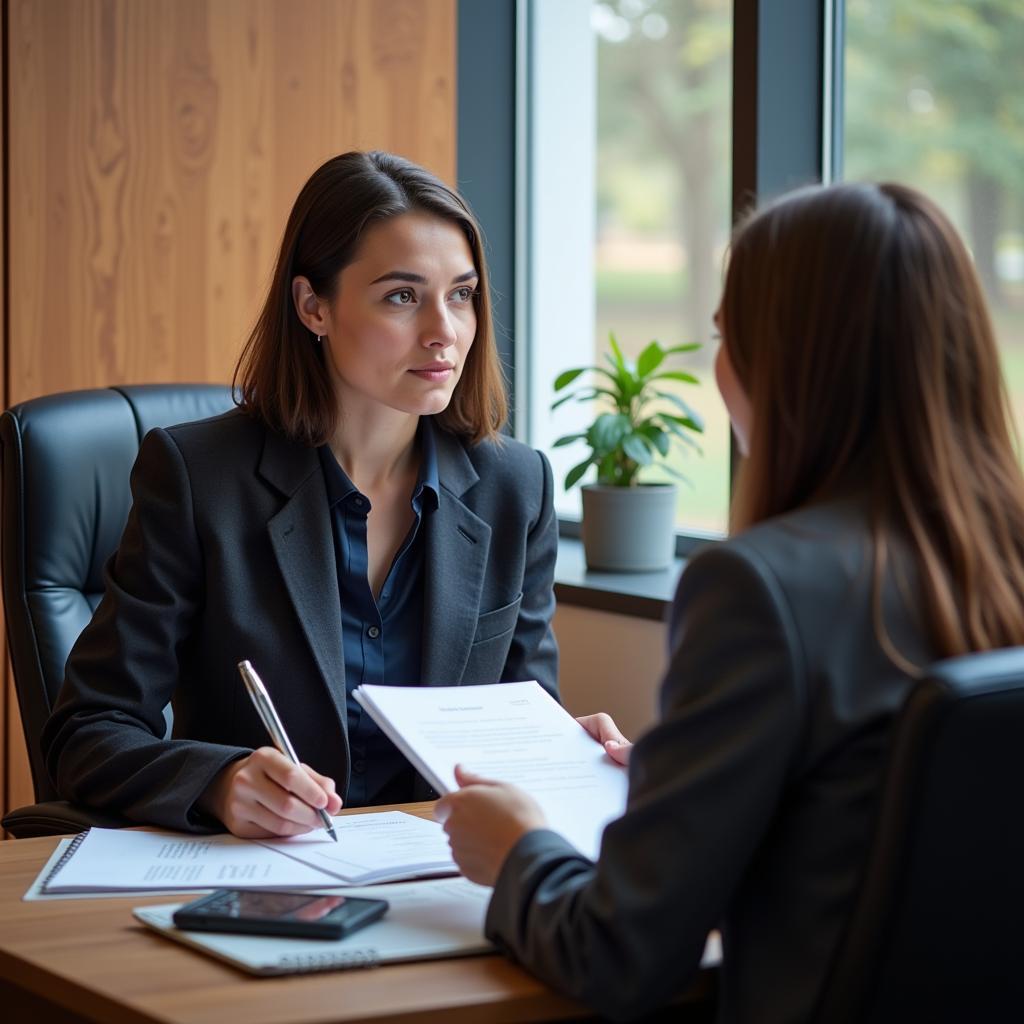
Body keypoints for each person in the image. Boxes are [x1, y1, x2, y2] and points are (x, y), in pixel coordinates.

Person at [436, 182, 1024, 1022]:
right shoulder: (997, 558)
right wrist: (700, 790)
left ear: (782, 360)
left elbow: (617, 953)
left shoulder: (758, 588)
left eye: (724, 335)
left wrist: (519, 848)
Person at [43, 151, 626, 838]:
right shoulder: (199, 478)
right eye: (402, 296)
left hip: (439, 879)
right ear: (313, 306)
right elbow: (87, 732)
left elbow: (515, 719)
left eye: (462, 294)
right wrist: (220, 783)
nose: (445, 331)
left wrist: (563, 750)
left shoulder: (513, 487)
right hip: (264, 876)